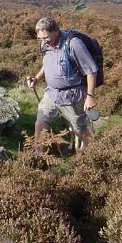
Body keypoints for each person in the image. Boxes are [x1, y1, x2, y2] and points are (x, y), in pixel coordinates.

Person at [26, 17, 98, 151]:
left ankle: (89, 153)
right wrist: (36, 78)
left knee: (80, 129)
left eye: (46, 37)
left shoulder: (74, 44)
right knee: (41, 123)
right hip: (51, 94)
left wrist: (90, 96)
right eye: (40, 38)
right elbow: (47, 64)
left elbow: (91, 71)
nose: (43, 41)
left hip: (71, 96)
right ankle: (39, 158)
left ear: (56, 31)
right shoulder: (45, 44)